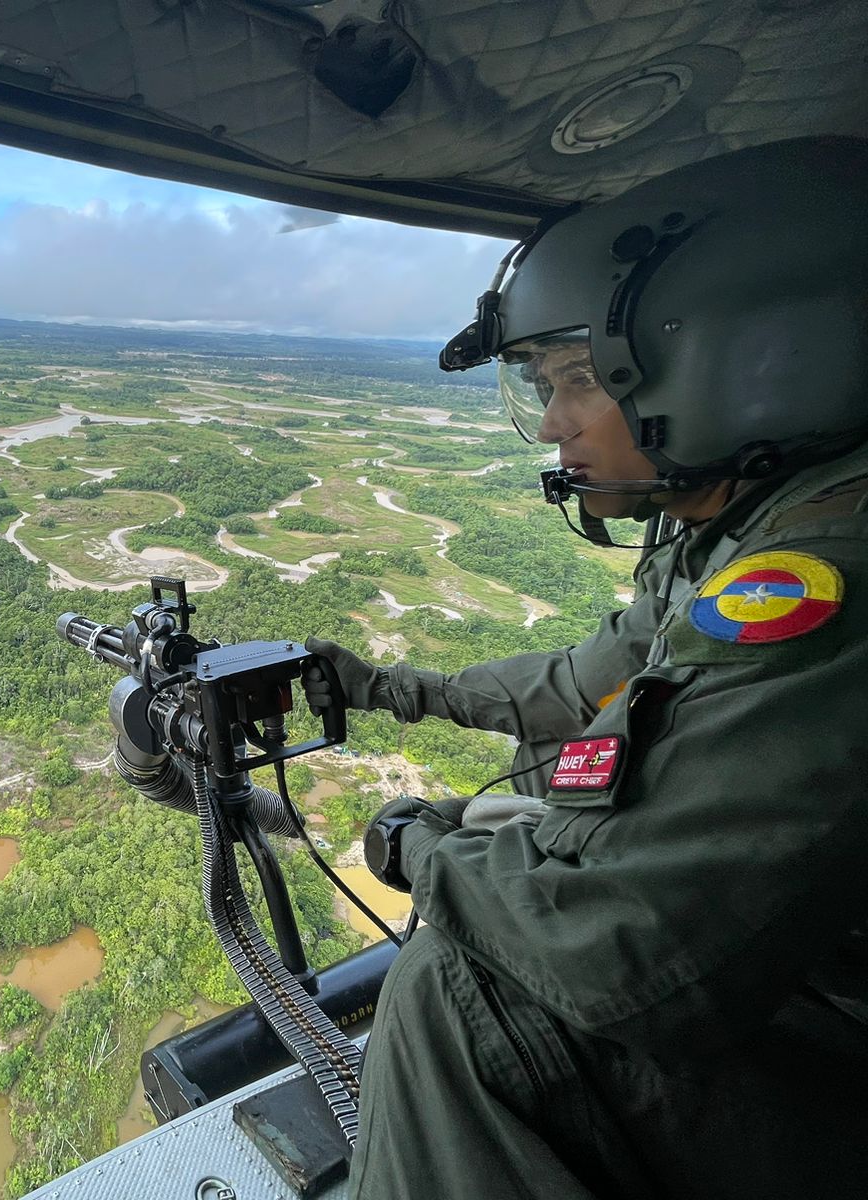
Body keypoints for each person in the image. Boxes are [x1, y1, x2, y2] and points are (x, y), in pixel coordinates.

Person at [304, 137, 868, 1199]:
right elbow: (583, 687)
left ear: (737, 358)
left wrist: (420, 847)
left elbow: (621, 962)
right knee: (531, 787)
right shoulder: (729, 526)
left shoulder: (830, 570)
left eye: (575, 381)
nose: (554, 423)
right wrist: (385, 688)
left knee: (458, 996)